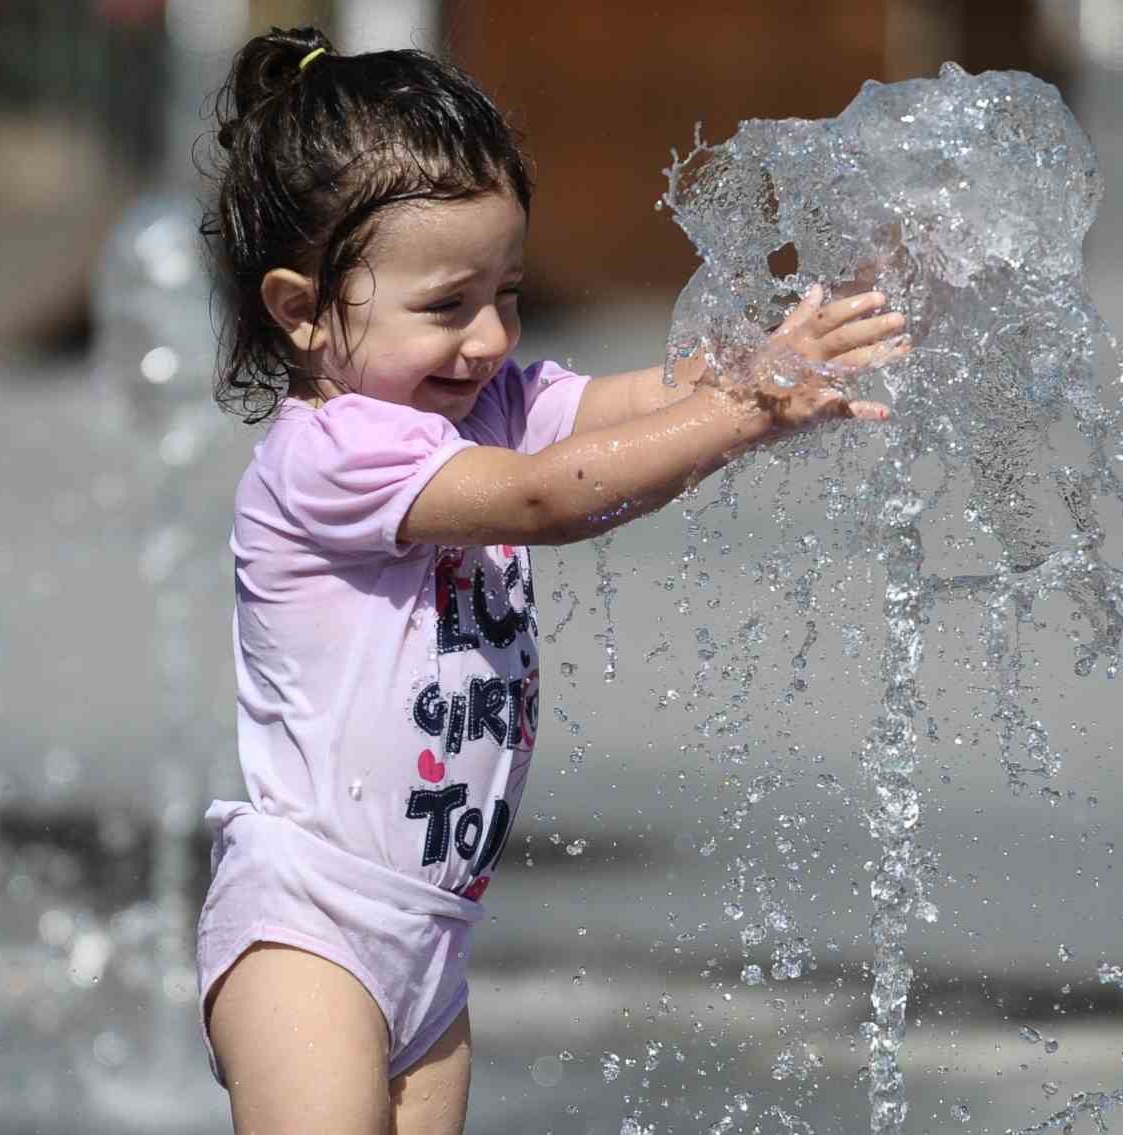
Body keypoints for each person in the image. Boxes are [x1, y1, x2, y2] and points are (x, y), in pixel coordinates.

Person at [194, 26, 909, 1135]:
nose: (486, 339)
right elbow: (548, 498)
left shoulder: (484, 404)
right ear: (301, 311)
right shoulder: (328, 454)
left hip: (429, 934)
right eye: (445, 306)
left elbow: (642, 400)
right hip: (309, 929)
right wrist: (746, 411)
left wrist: (774, 359)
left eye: (507, 293)